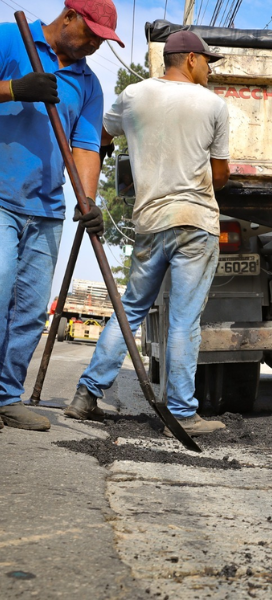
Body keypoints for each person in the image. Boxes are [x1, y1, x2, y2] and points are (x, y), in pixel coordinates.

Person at [65, 30, 231, 437]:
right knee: (184, 320)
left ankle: (86, 396)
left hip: (151, 223)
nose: (210, 69)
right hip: (195, 223)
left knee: (130, 310)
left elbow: (99, 139)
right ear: (190, 59)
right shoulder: (213, 106)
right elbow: (221, 175)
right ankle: (181, 412)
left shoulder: (133, 97)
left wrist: (92, 187)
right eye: (207, 61)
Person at [0, 0, 119, 431]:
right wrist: (14, 89)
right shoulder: (10, 38)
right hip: (1, 198)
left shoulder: (88, 84)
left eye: (101, 42)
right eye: (90, 35)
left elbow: (85, 146)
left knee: (31, 310)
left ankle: (5, 397)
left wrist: (87, 203)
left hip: (46, 208)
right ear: (68, 17)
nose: (93, 47)